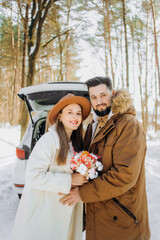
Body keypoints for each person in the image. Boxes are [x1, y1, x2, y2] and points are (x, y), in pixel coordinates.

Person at [60, 77, 151, 240]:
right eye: (94, 97)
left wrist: (82, 194)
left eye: (103, 95)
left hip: (122, 221)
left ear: (113, 94)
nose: (99, 102)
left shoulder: (129, 125)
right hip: (97, 217)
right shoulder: (91, 127)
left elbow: (124, 176)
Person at [12, 93, 91, 240]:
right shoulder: (48, 140)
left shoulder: (75, 144)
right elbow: (33, 176)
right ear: (60, 116)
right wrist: (70, 180)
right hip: (46, 215)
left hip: (66, 213)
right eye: (70, 112)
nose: (75, 117)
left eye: (78, 113)